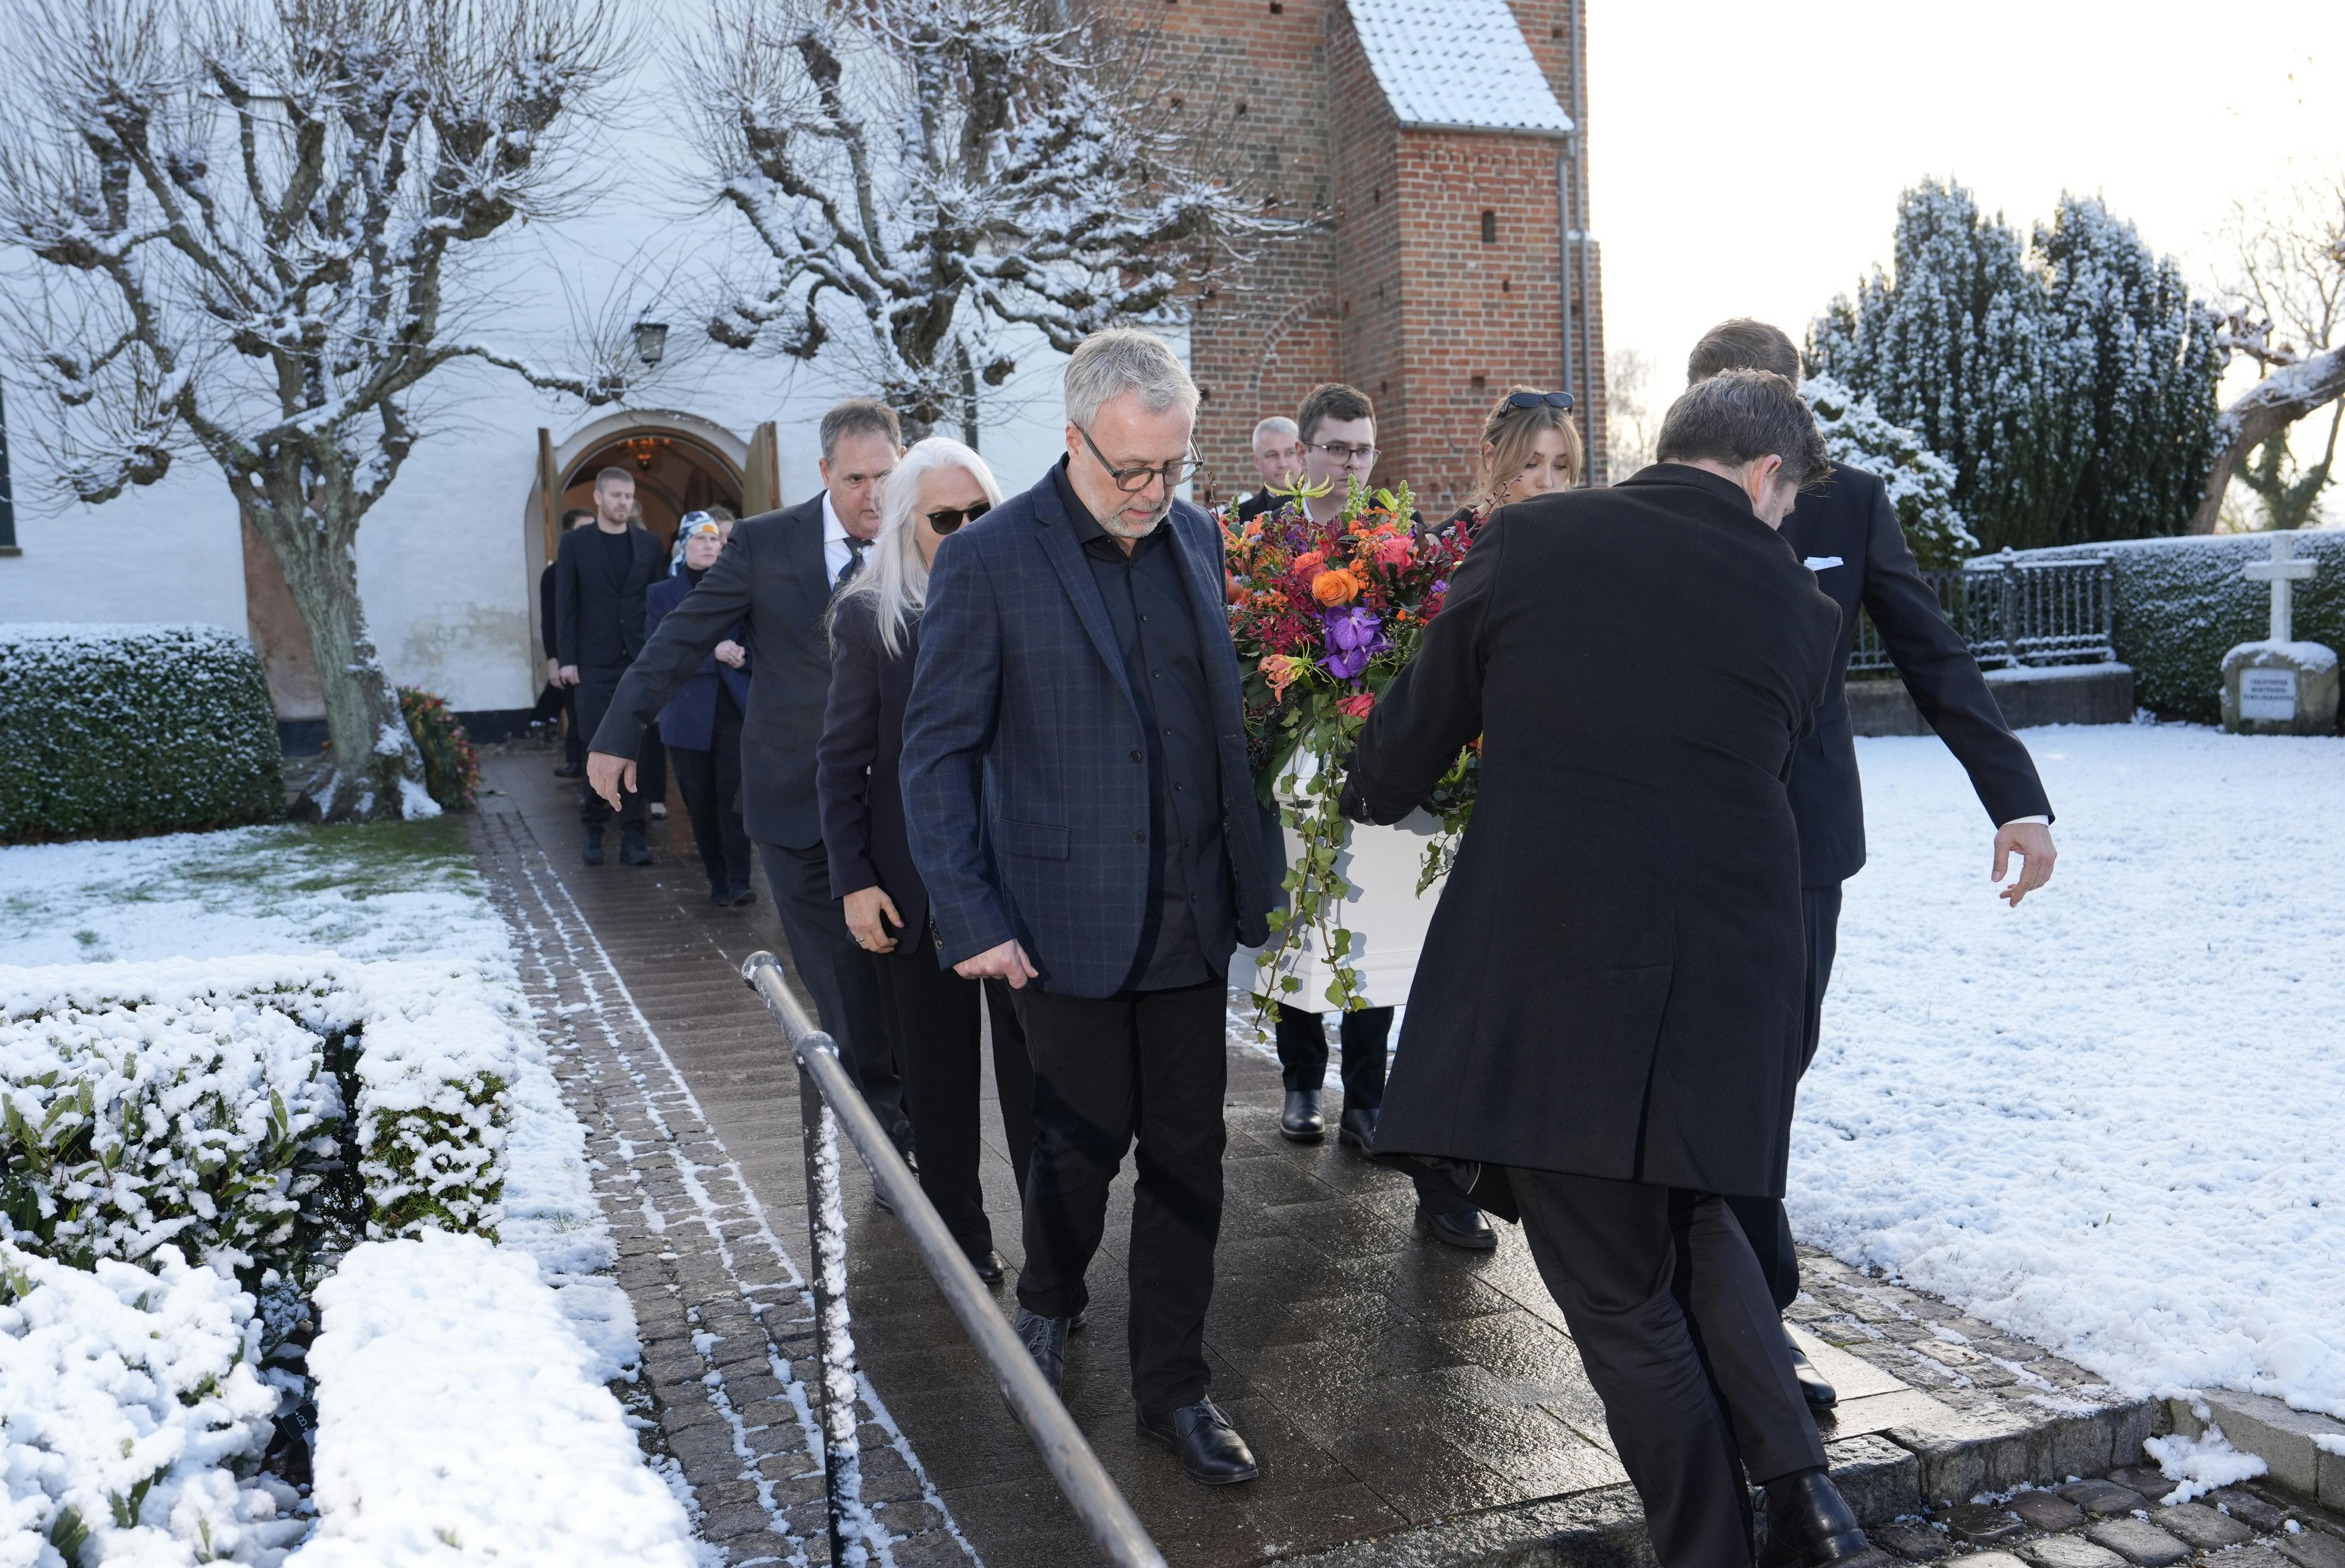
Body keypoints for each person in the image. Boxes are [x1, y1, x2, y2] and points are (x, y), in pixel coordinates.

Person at [1342, 369, 1880, 1567]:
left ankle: (1709, 1547)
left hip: (1564, 976)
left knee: (1622, 1294)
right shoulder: (1800, 610)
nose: (1782, 523)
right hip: (1726, 982)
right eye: (1787, 502)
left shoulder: (1533, 538)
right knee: (1691, 1224)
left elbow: (1421, 725)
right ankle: (1804, 1493)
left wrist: (1368, 779)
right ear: (1759, 476)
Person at [900, 328, 1280, 1486]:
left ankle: (1175, 1385)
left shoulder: (1200, 537)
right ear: (1071, 441)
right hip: (1056, 921)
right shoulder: (989, 562)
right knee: (1076, 1148)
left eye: (1172, 467)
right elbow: (937, 755)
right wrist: (969, 915)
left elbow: (1212, 723)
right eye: (1130, 471)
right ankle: (1053, 1298)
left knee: (1189, 1157)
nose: (1154, 493)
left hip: (1186, 920)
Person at [1684, 319, 2058, 1410]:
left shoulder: (1848, 504)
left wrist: (2017, 800)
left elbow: (1932, 651)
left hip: (1804, 840)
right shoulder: (1648, 508)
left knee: (1774, 1066)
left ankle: (1733, 1284)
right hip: (1685, 832)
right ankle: (1753, 1314)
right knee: (1720, 1071)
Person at [586, 400, 911, 1155]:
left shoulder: (929, 536)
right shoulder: (765, 545)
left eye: (885, 476)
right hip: (797, 807)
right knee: (847, 992)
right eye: (856, 477)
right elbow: (682, 637)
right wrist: (617, 730)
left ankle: (918, 1136)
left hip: (902, 808)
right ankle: (896, 1149)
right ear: (825, 473)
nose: (873, 495)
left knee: (909, 995)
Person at [1270, 381, 1493, 1252]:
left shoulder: (1400, 545)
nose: (1350, 464)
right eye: (1335, 448)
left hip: (1376, 760)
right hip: (1295, 762)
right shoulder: (1276, 538)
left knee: (1370, 917)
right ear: (1306, 451)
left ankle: (1366, 1097)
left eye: (1362, 450)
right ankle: (1300, 1081)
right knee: (1301, 913)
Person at [818, 438, 1037, 1284]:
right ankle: (964, 1253)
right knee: (940, 1090)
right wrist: (857, 882)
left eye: (982, 513)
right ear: (909, 527)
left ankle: (1052, 1267)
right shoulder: (870, 617)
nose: (968, 530)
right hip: (916, 887)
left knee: (1036, 1088)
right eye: (947, 519)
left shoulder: (1028, 599)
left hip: (1021, 877)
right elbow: (840, 766)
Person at [556, 469, 667, 867]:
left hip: (639, 662)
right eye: (616, 495)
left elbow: (658, 607)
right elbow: (565, 603)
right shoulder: (575, 544)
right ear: (600, 498)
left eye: (629, 496)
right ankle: (593, 829)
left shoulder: (650, 544)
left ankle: (633, 837)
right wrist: (567, 658)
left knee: (635, 748)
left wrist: (661, 659)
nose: (623, 502)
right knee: (595, 745)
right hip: (592, 663)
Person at [646, 513, 756, 907]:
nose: (710, 546)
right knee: (700, 801)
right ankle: (717, 879)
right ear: (683, 546)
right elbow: (659, 650)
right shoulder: (661, 595)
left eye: (715, 540)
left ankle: (741, 880)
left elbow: (759, 641)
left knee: (733, 799)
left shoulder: (738, 587)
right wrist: (714, 653)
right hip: (688, 715)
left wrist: (744, 657)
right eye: (701, 539)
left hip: (732, 711)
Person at [1433, 387, 1582, 534]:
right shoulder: (1438, 551)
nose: (1547, 482)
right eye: (1530, 463)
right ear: (1491, 457)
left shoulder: (1582, 539)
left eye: (1560, 466)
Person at [542, 506, 596, 778]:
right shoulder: (553, 575)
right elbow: (551, 620)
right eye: (583, 530)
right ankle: (576, 762)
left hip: (597, 653)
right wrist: (555, 660)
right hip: (570, 654)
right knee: (575, 712)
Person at [1232, 415, 1303, 522]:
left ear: (1302, 454)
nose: (1282, 464)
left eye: (1290, 453)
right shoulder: (1237, 518)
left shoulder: (1324, 507)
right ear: (1257, 461)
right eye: (1272, 455)